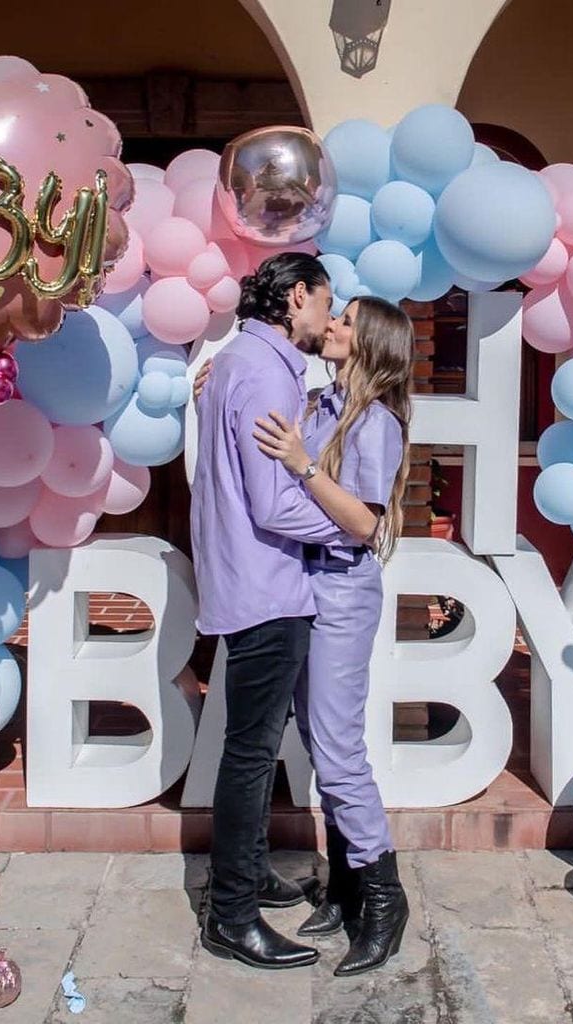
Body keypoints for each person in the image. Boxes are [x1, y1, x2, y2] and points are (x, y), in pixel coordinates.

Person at [196, 295, 415, 977]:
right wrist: (217, 387)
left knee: (340, 748)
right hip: (301, 585)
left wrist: (302, 464)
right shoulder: (320, 405)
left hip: (344, 591)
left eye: (346, 321)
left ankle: (384, 896)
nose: (332, 326)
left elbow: (362, 522)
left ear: (371, 342)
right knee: (319, 742)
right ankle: (347, 887)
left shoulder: (376, 424)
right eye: (336, 314)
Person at [191, 252, 353, 971]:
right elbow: (276, 501)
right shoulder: (259, 371)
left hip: (251, 581)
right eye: (326, 301)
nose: (328, 316)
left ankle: (251, 872)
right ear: (296, 298)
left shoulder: (240, 364)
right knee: (252, 753)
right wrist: (354, 524)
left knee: (250, 746)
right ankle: (231, 914)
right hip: (266, 586)